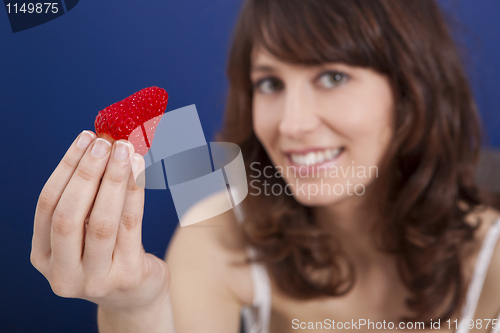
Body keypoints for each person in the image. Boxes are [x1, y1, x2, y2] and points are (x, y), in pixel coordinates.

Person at [31, 0, 500, 332]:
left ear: (410, 90)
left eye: (333, 76)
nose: (291, 125)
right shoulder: (217, 234)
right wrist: (134, 306)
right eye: (270, 83)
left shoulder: (492, 260)